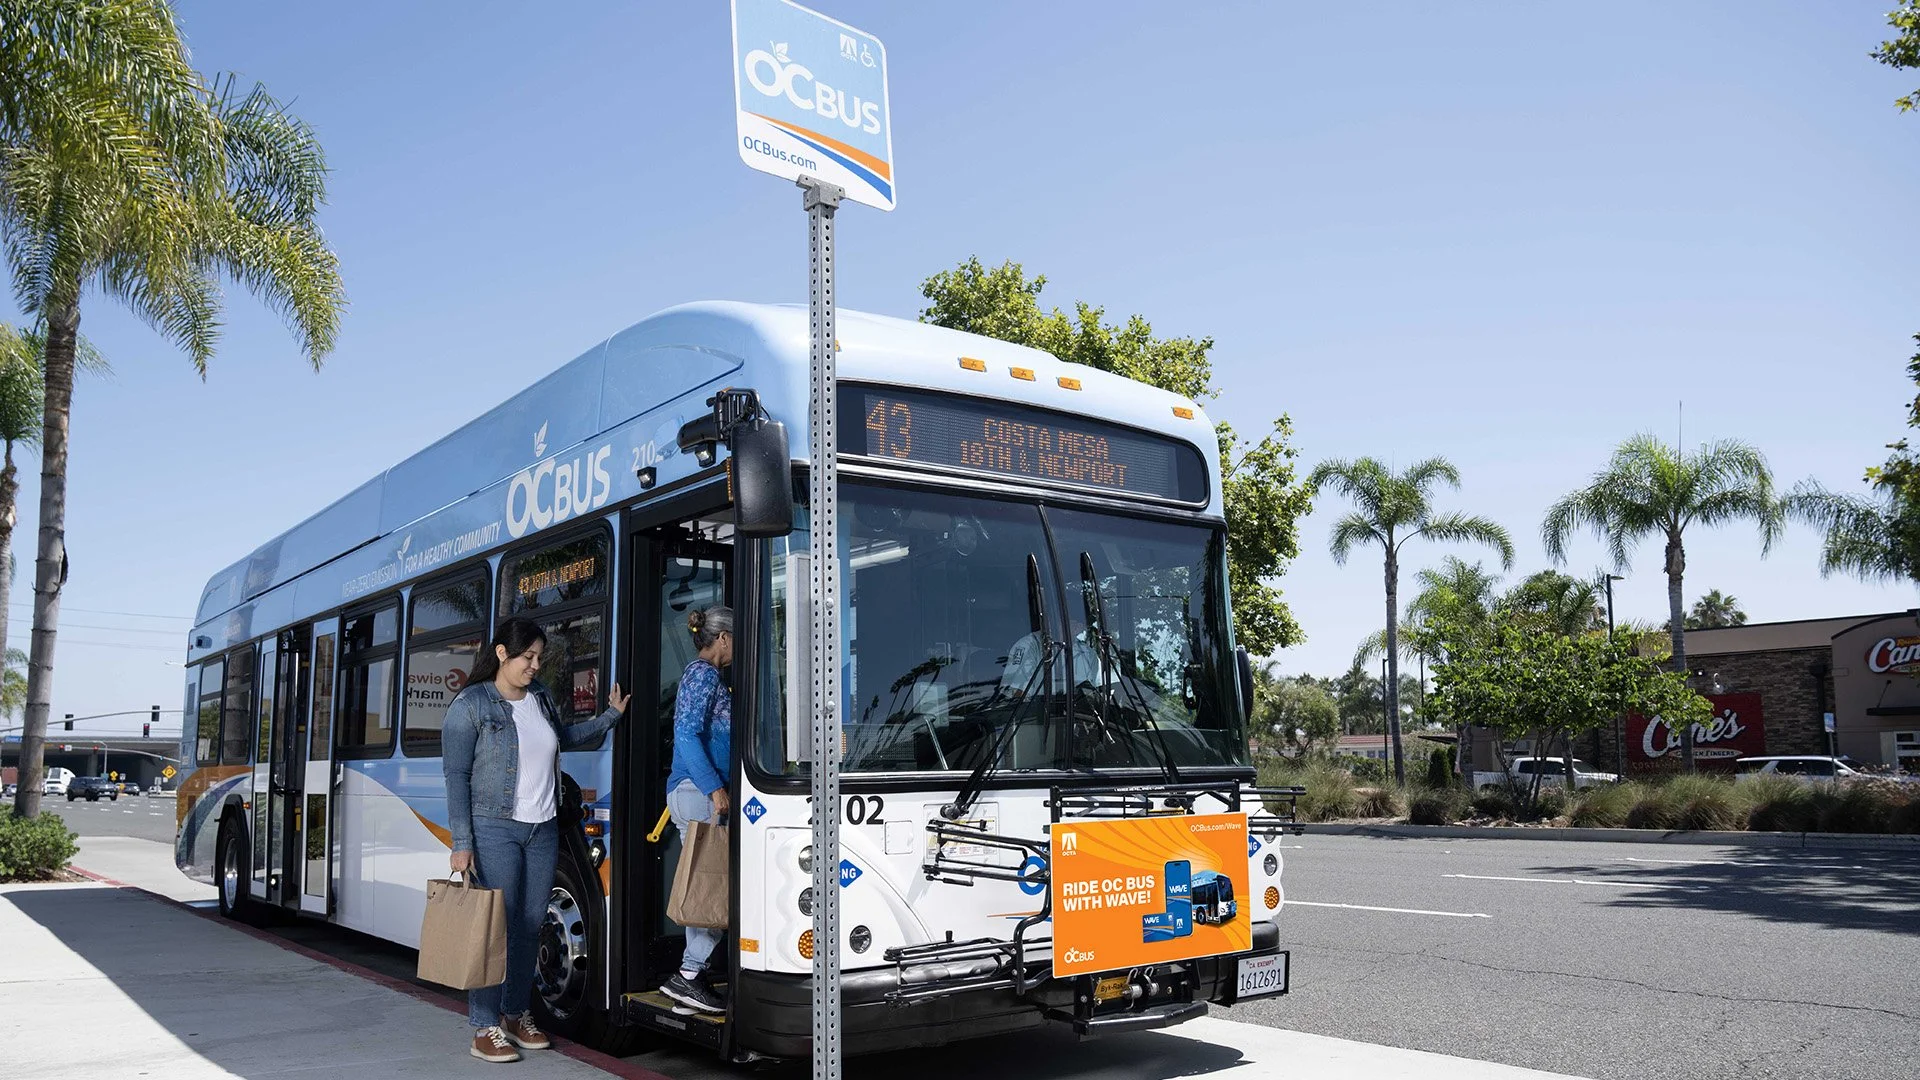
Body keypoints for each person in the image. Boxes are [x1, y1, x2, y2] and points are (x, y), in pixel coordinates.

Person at [443, 617, 630, 1063]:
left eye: (539, 658)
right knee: (496, 927)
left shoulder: (541, 698)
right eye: (528, 657)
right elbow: (456, 775)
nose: (535, 665)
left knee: (531, 925)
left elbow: (561, 738)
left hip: (542, 827)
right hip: (495, 827)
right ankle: (483, 1026)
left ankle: (514, 1014)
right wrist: (462, 840)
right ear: (503, 654)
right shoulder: (472, 704)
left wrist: (610, 717)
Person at [661, 604, 734, 1014]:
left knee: (711, 880)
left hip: (699, 792)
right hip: (698, 793)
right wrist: (714, 789)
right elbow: (686, 734)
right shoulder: (701, 675)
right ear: (722, 638)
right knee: (715, 884)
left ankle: (687, 993)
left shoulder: (711, 679)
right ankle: (687, 977)